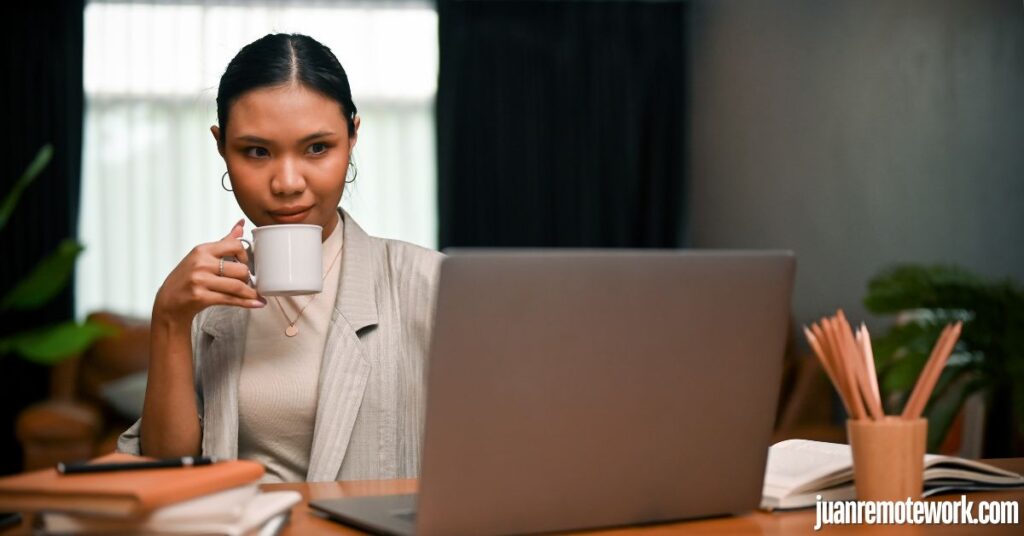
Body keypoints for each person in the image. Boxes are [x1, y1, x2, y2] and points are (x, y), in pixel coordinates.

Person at [117, 33, 443, 483]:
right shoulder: (202, 299)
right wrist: (169, 319)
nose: (287, 182)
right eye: (257, 151)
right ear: (221, 147)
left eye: (316, 148)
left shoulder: (431, 285)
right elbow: (165, 474)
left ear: (352, 137)